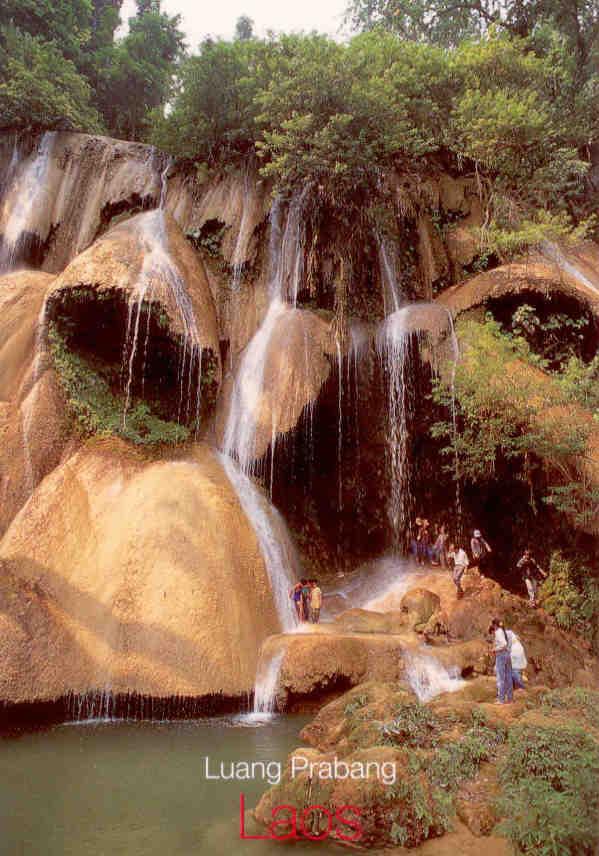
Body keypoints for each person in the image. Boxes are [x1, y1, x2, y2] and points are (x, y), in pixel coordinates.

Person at [488, 618, 513, 704]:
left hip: (501, 655)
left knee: (500, 678)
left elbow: (504, 644)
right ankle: (510, 699)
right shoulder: (503, 631)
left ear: (494, 625)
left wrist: (495, 650)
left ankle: (501, 699)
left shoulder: (498, 633)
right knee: (508, 676)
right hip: (507, 655)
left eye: (492, 624)